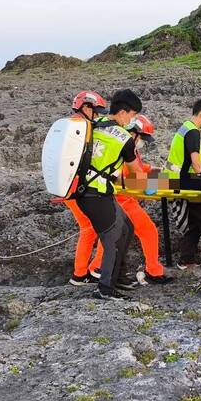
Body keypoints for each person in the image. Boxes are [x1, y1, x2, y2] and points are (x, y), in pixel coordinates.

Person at [74, 89, 147, 300]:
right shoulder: (124, 138)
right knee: (113, 238)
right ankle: (105, 288)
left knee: (127, 227)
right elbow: (137, 172)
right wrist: (153, 184)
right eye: (132, 115)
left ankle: (119, 277)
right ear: (123, 112)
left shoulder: (96, 123)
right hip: (96, 194)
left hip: (88, 191)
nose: (131, 121)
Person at [88, 114, 172, 284]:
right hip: (123, 199)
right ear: (133, 133)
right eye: (141, 137)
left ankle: (97, 267)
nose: (142, 142)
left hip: (117, 198)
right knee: (148, 231)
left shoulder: (123, 145)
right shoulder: (125, 146)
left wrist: (152, 169)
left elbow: (137, 167)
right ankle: (153, 271)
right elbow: (128, 178)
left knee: (111, 234)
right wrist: (160, 181)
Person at [163, 99, 201, 273]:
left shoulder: (184, 128)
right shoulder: (193, 132)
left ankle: (186, 258)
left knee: (195, 223)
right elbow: (196, 163)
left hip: (176, 180)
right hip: (186, 183)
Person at [64, 91, 108, 286]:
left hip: (68, 187)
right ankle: (91, 270)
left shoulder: (70, 125)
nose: (97, 116)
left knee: (88, 228)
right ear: (86, 107)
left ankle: (81, 274)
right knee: (97, 227)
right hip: (76, 188)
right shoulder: (83, 127)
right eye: (95, 111)